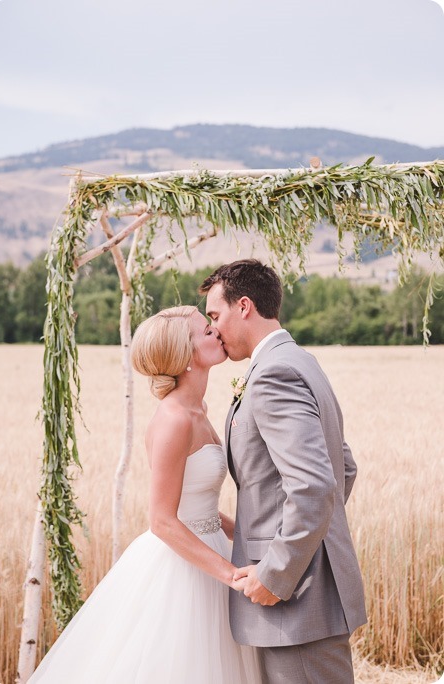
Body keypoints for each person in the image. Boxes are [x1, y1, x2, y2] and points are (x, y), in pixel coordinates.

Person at [28, 305, 261, 683]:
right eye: (206, 330)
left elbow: (197, 504)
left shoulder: (198, 410)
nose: (216, 332)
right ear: (184, 355)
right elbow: (163, 520)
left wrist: (248, 536)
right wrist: (232, 574)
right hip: (184, 570)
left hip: (210, 552)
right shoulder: (174, 419)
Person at [199, 260, 367, 684]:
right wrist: (304, 531)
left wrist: (276, 572)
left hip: (295, 604)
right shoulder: (299, 360)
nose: (213, 329)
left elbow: (314, 486)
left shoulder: (272, 373)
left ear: (244, 306)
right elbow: (341, 467)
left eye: (215, 316)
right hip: (304, 603)